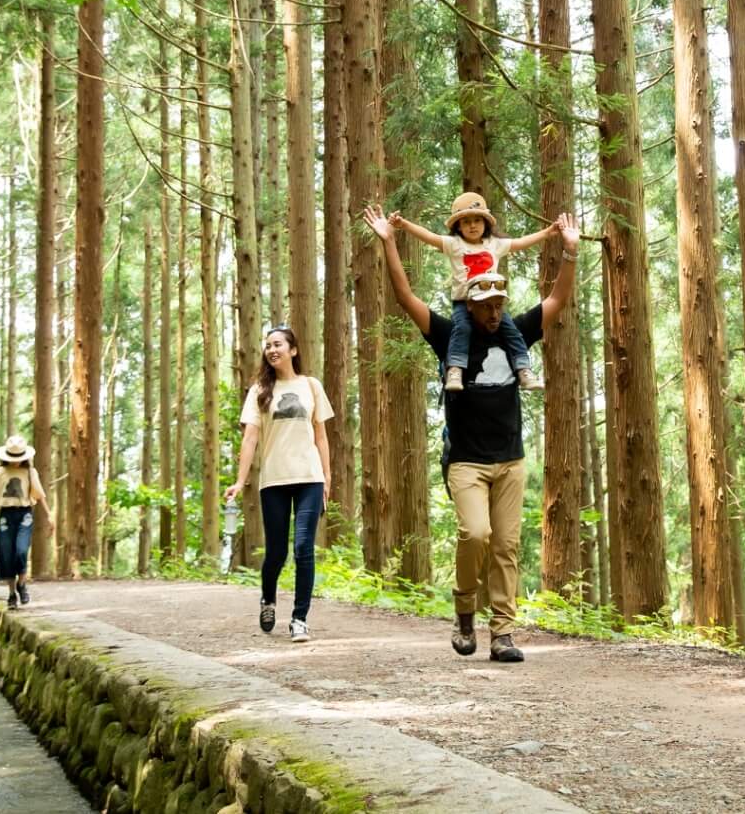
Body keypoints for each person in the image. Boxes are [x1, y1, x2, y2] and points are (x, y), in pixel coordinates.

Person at [363, 205, 578, 664]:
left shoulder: (515, 332)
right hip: (465, 459)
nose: (496, 312)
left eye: (500, 304)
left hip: (511, 458)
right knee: (476, 534)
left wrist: (570, 253)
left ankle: (502, 631)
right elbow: (405, 296)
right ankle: (465, 607)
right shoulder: (449, 335)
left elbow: (556, 302)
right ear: (472, 303)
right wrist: (389, 240)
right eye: (487, 306)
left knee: (506, 545)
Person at [226, 326, 333, 643]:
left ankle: (299, 618)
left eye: (278, 344)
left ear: (293, 350)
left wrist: (327, 477)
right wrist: (240, 481)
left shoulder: (311, 386)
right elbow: (250, 438)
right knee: (276, 553)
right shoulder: (260, 389)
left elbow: (321, 435)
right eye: (268, 345)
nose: (272, 350)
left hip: (309, 478)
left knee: (303, 549)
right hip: (274, 479)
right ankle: (268, 599)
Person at [389, 191, 556, 392]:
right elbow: (429, 237)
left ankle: (524, 369)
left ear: (486, 223)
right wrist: (404, 224)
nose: (473, 225)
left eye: (477, 220)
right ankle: (455, 369)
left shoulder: (494, 244)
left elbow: (521, 242)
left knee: (511, 330)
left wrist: (547, 233)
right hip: (463, 302)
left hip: (489, 302)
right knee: (462, 330)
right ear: (458, 226)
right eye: (466, 221)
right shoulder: (454, 245)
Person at [0, 436, 46, 609]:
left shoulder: (30, 472)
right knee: (6, 554)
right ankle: (11, 594)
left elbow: (40, 495)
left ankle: (22, 584)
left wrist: (49, 516)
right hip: (6, 515)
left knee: (21, 550)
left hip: (24, 514)